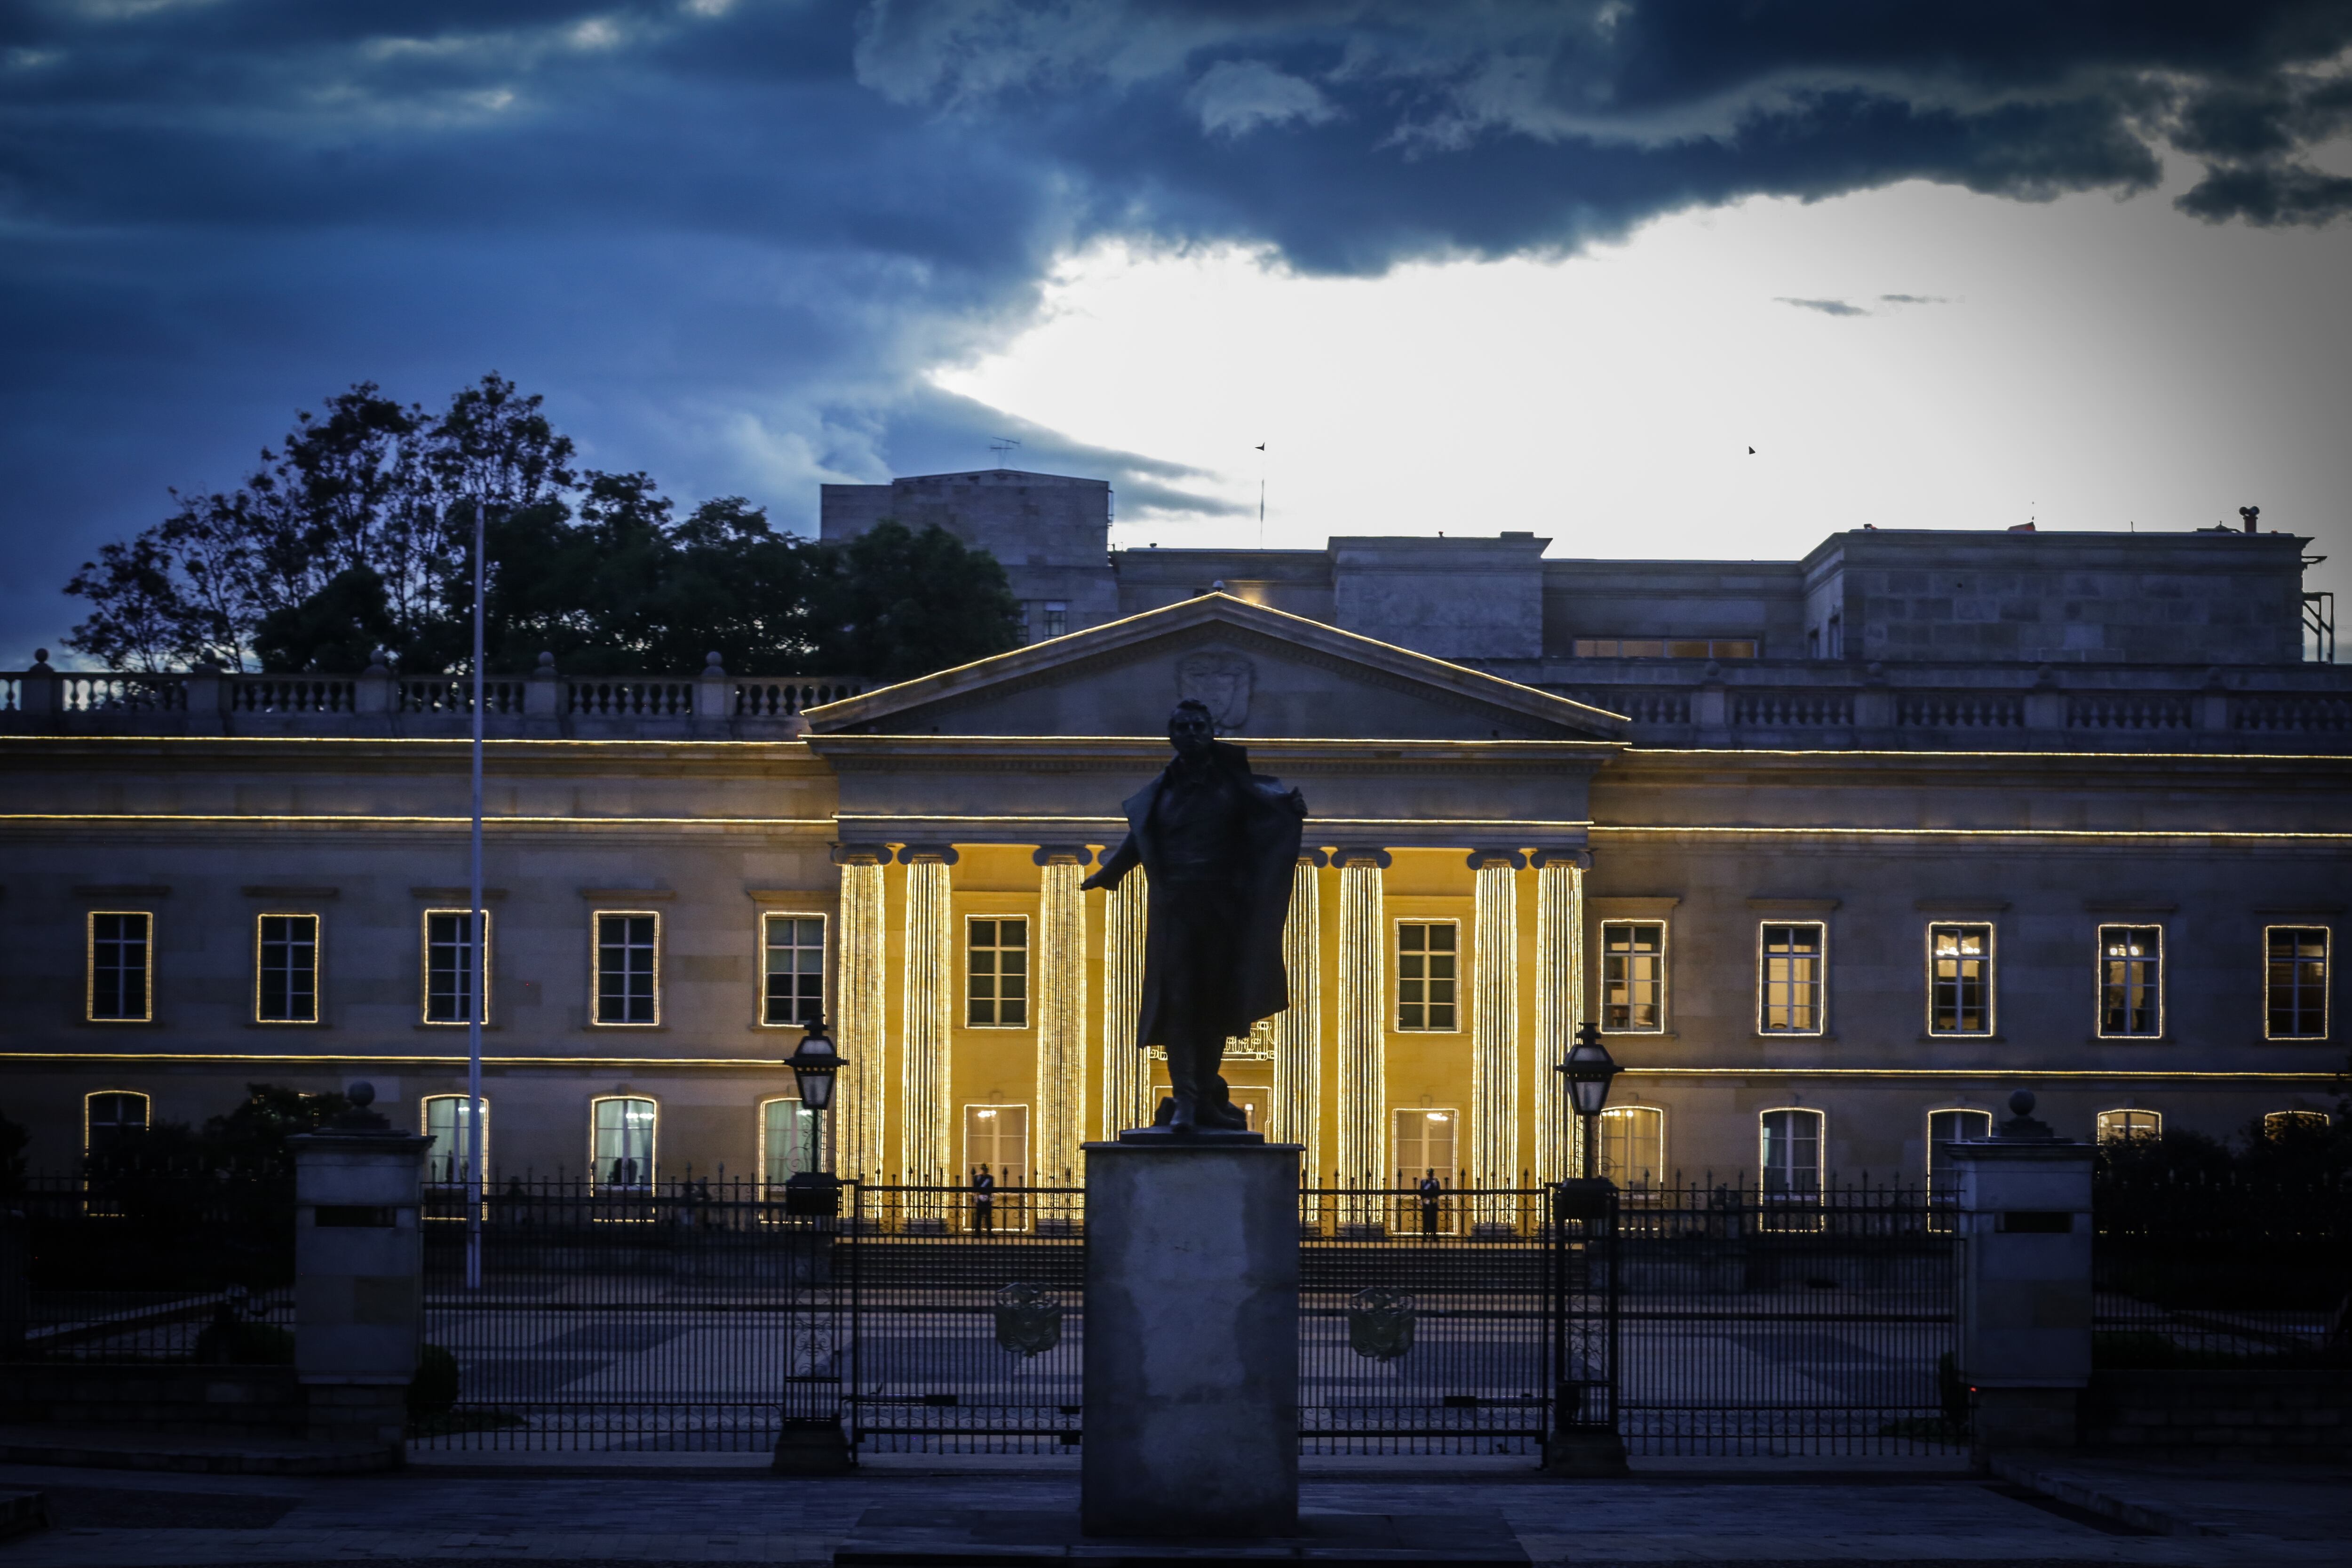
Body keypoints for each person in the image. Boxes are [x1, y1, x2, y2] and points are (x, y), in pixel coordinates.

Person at [1082, 700, 1307, 1133]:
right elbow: (1141, 836)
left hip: (1222, 910)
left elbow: (1267, 816)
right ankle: (1186, 1100)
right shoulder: (1162, 792)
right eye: (1183, 727)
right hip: (1175, 910)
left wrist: (1287, 808)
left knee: (1216, 1006)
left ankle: (1203, 1095)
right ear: (1172, 736)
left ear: (1211, 733)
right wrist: (1110, 873)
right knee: (1179, 1004)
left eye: (1199, 726)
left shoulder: (1233, 787)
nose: (1191, 733)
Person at [1418, 1169, 1444, 1237]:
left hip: (1433, 1201)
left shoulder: (1436, 1181)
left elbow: (1439, 1191)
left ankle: (1434, 1233)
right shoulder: (1424, 1181)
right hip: (1426, 1201)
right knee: (1426, 1218)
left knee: (1434, 1218)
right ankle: (1425, 1234)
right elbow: (1421, 1192)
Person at [972, 1163, 996, 1233]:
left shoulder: (989, 1178)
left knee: (987, 1216)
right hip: (980, 1197)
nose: (985, 1171)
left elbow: (991, 1188)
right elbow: (975, 1188)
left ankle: (988, 1232)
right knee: (979, 1216)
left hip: (986, 1197)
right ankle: (979, 1232)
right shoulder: (979, 1177)